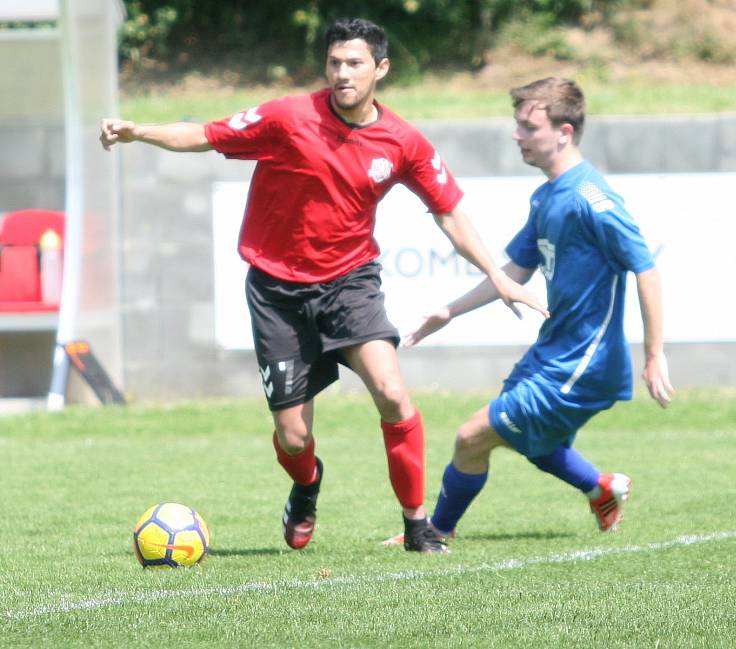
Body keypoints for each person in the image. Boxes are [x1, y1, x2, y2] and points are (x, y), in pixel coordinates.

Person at [99, 18, 546, 554]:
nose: (342, 73)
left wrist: (496, 275)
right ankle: (307, 485)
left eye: (354, 63)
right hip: (276, 290)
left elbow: (448, 213)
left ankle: (416, 524)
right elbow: (205, 134)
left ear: (380, 69)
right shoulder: (288, 117)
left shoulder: (402, 141)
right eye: (334, 63)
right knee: (293, 437)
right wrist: (139, 131)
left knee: (392, 393)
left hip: (349, 283)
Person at [403, 77, 674, 545]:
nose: (517, 135)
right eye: (517, 125)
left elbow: (645, 267)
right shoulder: (546, 196)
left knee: (472, 436)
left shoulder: (594, 199)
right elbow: (515, 270)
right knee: (534, 442)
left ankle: (434, 532)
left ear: (564, 133)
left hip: (582, 362)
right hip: (553, 351)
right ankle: (601, 488)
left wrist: (653, 355)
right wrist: (449, 311)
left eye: (528, 127)